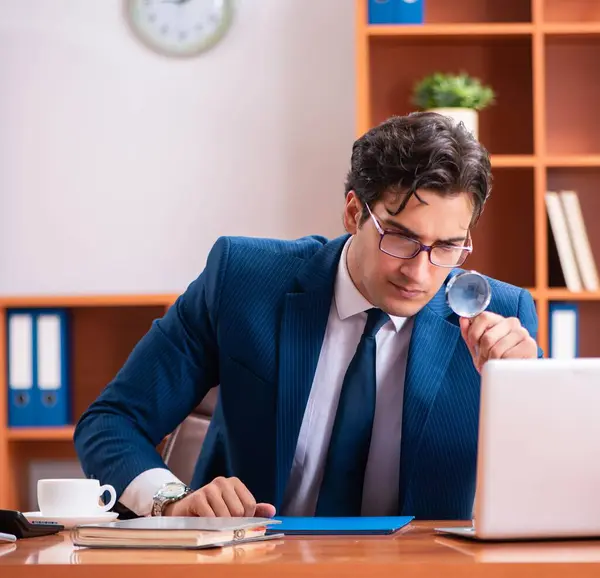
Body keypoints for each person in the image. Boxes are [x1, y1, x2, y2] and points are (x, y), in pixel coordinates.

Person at [74, 112, 542, 521]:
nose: (420, 273)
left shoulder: (501, 319)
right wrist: (172, 501)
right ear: (353, 211)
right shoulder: (243, 279)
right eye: (399, 238)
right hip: (257, 562)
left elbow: (548, 486)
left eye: (446, 247)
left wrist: (523, 395)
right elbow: (112, 421)